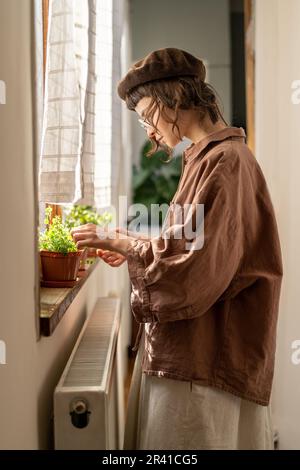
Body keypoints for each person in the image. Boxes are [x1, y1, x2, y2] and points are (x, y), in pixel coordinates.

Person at [71, 48, 283, 450]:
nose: (148, 129)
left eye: (147, 114)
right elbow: (195, 241)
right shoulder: (209, 158)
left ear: (174, 96)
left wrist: (126, 243)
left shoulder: (225, 163)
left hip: (204, 363)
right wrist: (133, 243)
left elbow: (196, 270)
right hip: (195, 357)